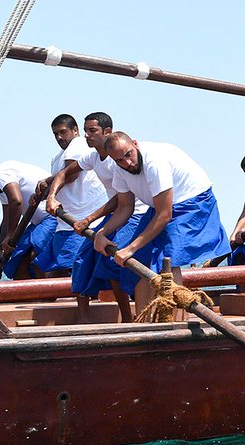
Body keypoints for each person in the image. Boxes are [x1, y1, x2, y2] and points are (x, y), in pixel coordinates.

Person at [93, 131, 230, 302]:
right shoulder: (119, 169)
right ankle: (143, 323)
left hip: (192, 201)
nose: (128, 163)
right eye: (120, 160)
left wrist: (130, 248)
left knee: (167, 257)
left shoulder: (154, 163)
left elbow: (165, 215)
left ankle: (176, 321)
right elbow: (125, 208)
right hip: (160, 206)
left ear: (135, 144)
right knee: (139, 260)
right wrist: (102, 233)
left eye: (129, 154)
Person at [45, 112, 140, 322]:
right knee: (81, 259)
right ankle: (84, 319)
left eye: (92, 131)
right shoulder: (92, 157)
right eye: (86, 131)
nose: (87, 136)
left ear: (107, 132)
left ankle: (127, 318)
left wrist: (88, 220)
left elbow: (120, 200)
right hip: (114, 214)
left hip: (131, 212)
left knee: (112, 258)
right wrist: (51, 197)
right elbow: (63, 174)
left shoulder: (117, 159)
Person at [29, 114, 107, 276]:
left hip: (81, 222)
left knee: (72, 270)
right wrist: (43, 194)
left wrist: (48, 183)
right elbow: (60, 184)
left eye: (63, 132)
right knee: (48, 267)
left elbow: (70, 175)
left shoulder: (77, 145)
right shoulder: (57, 157)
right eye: (55, 134)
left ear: (75, 131)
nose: (59, 137)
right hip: (65, 222)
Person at [0, 159, 50, 278]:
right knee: (17, 263)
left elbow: (16, 201)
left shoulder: (3, 173)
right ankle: (32, 296)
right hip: (37, 223)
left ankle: (48, 294)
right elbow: (6, 220)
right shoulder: (3, 191)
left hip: (52, 217)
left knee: (34, 257)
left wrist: (10, 235)